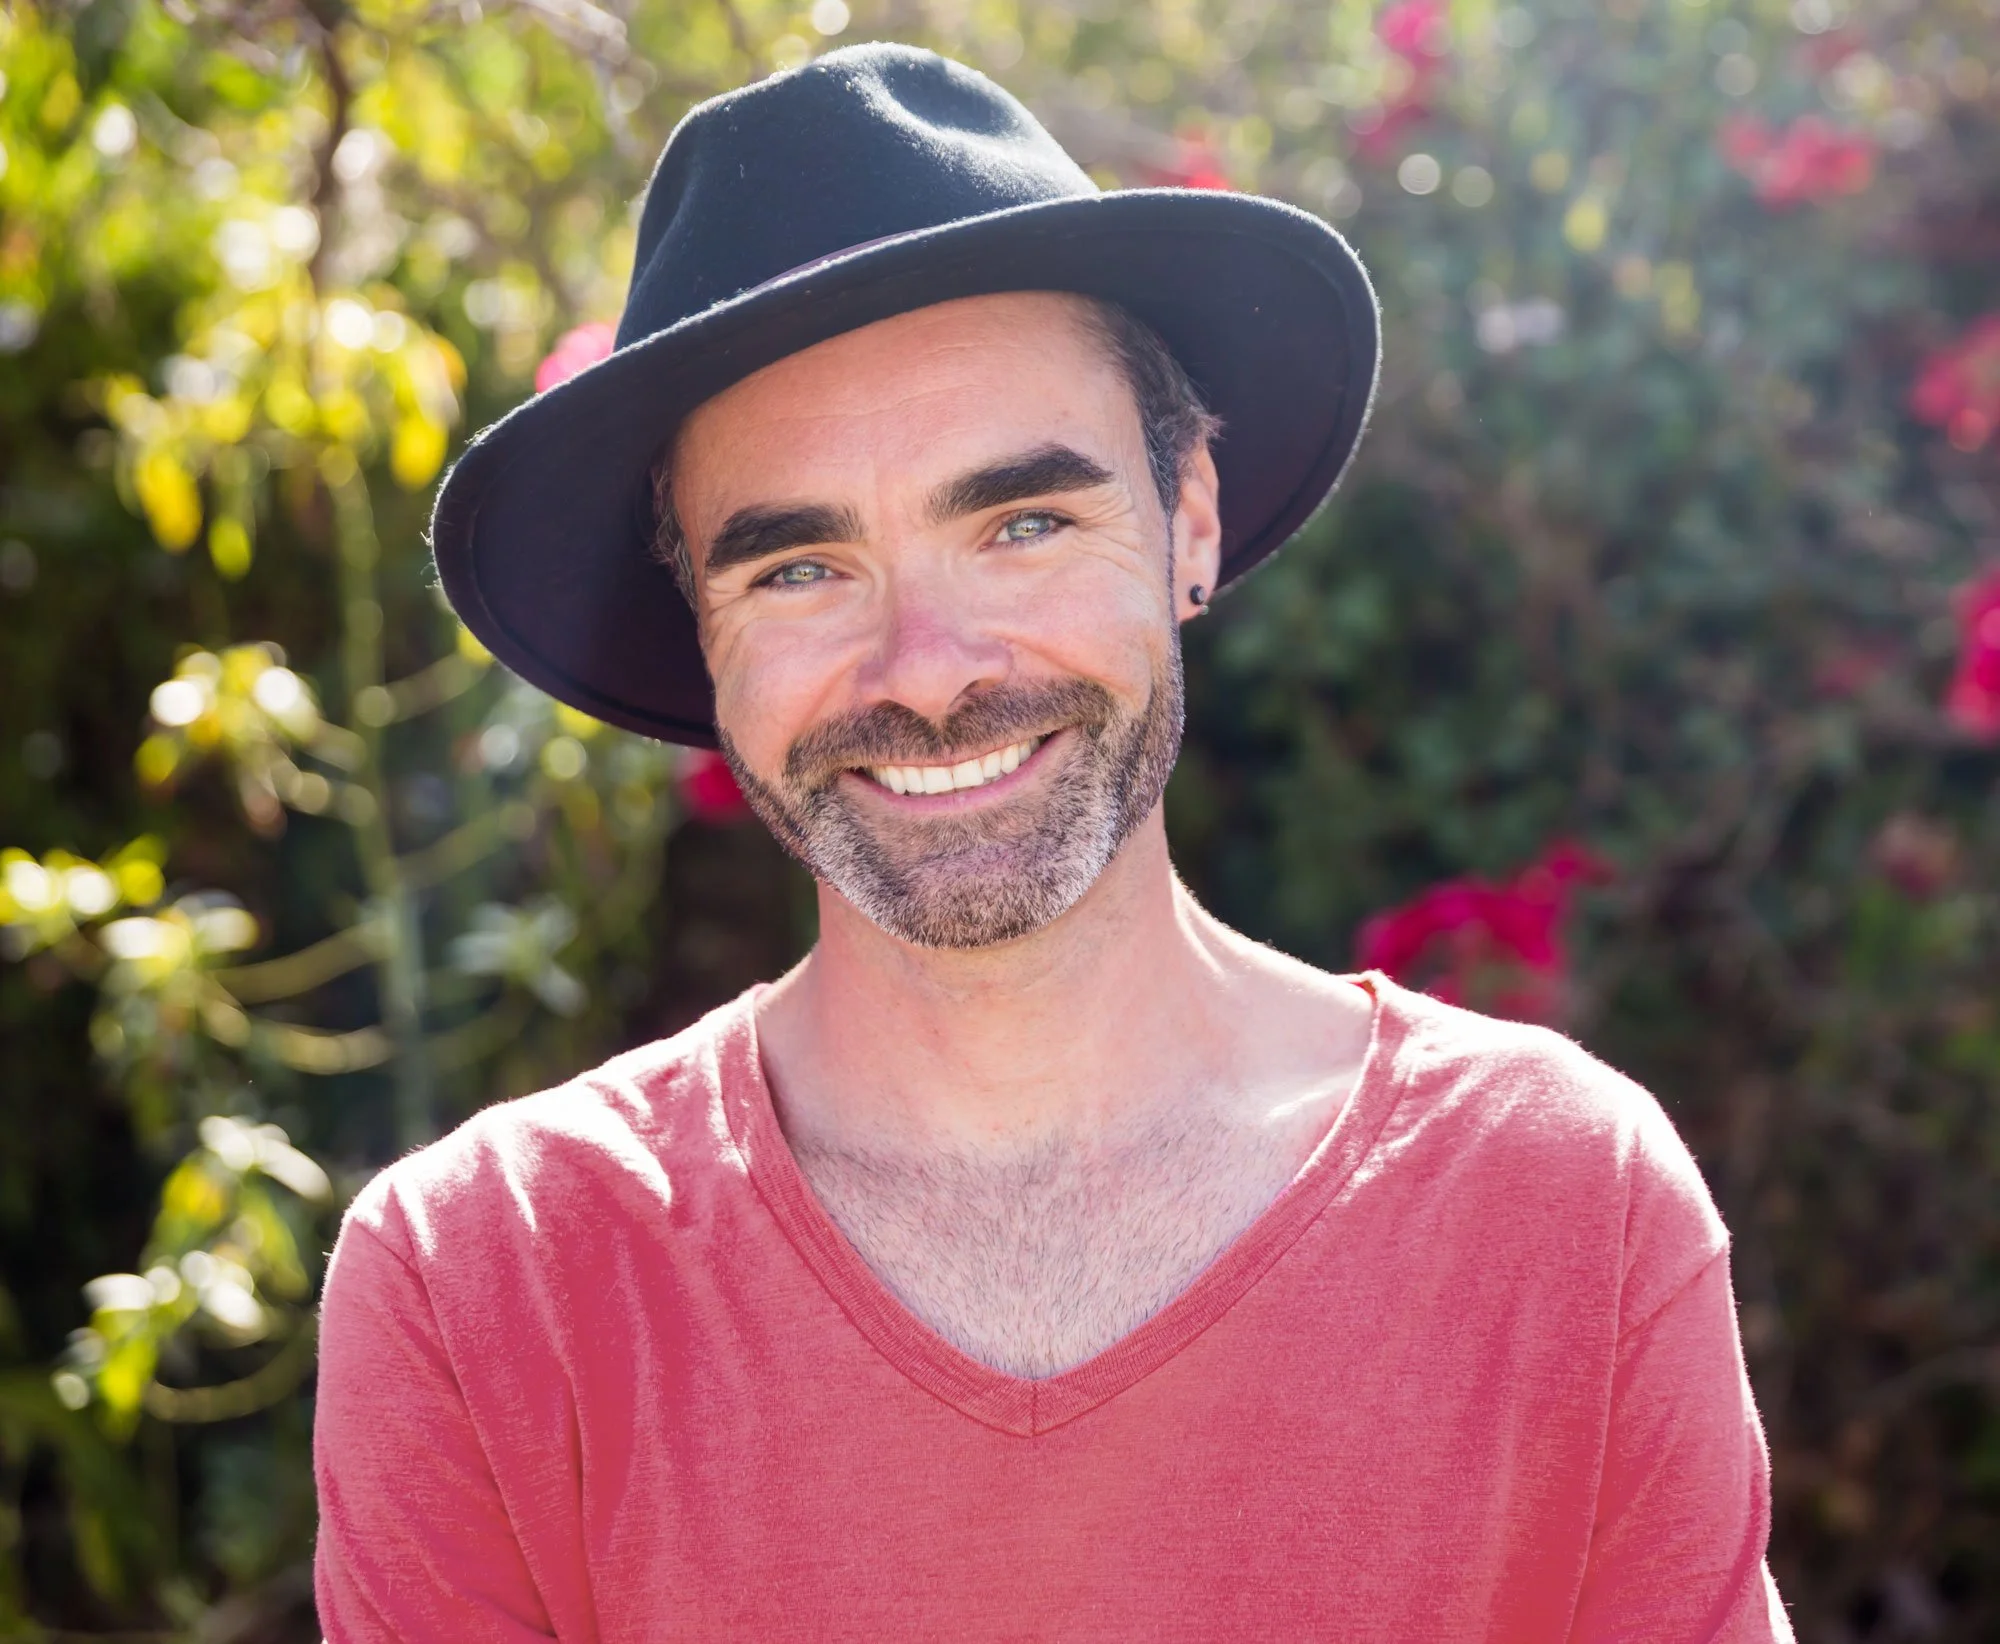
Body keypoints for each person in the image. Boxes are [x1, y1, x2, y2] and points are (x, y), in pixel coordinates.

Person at [313, 42, 1792, 1642]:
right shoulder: (488, 1281)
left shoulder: (1563, 1207)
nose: (928, 671)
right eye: (800, 570)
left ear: (1190, 521)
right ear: (701, 629)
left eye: (1022, 524)